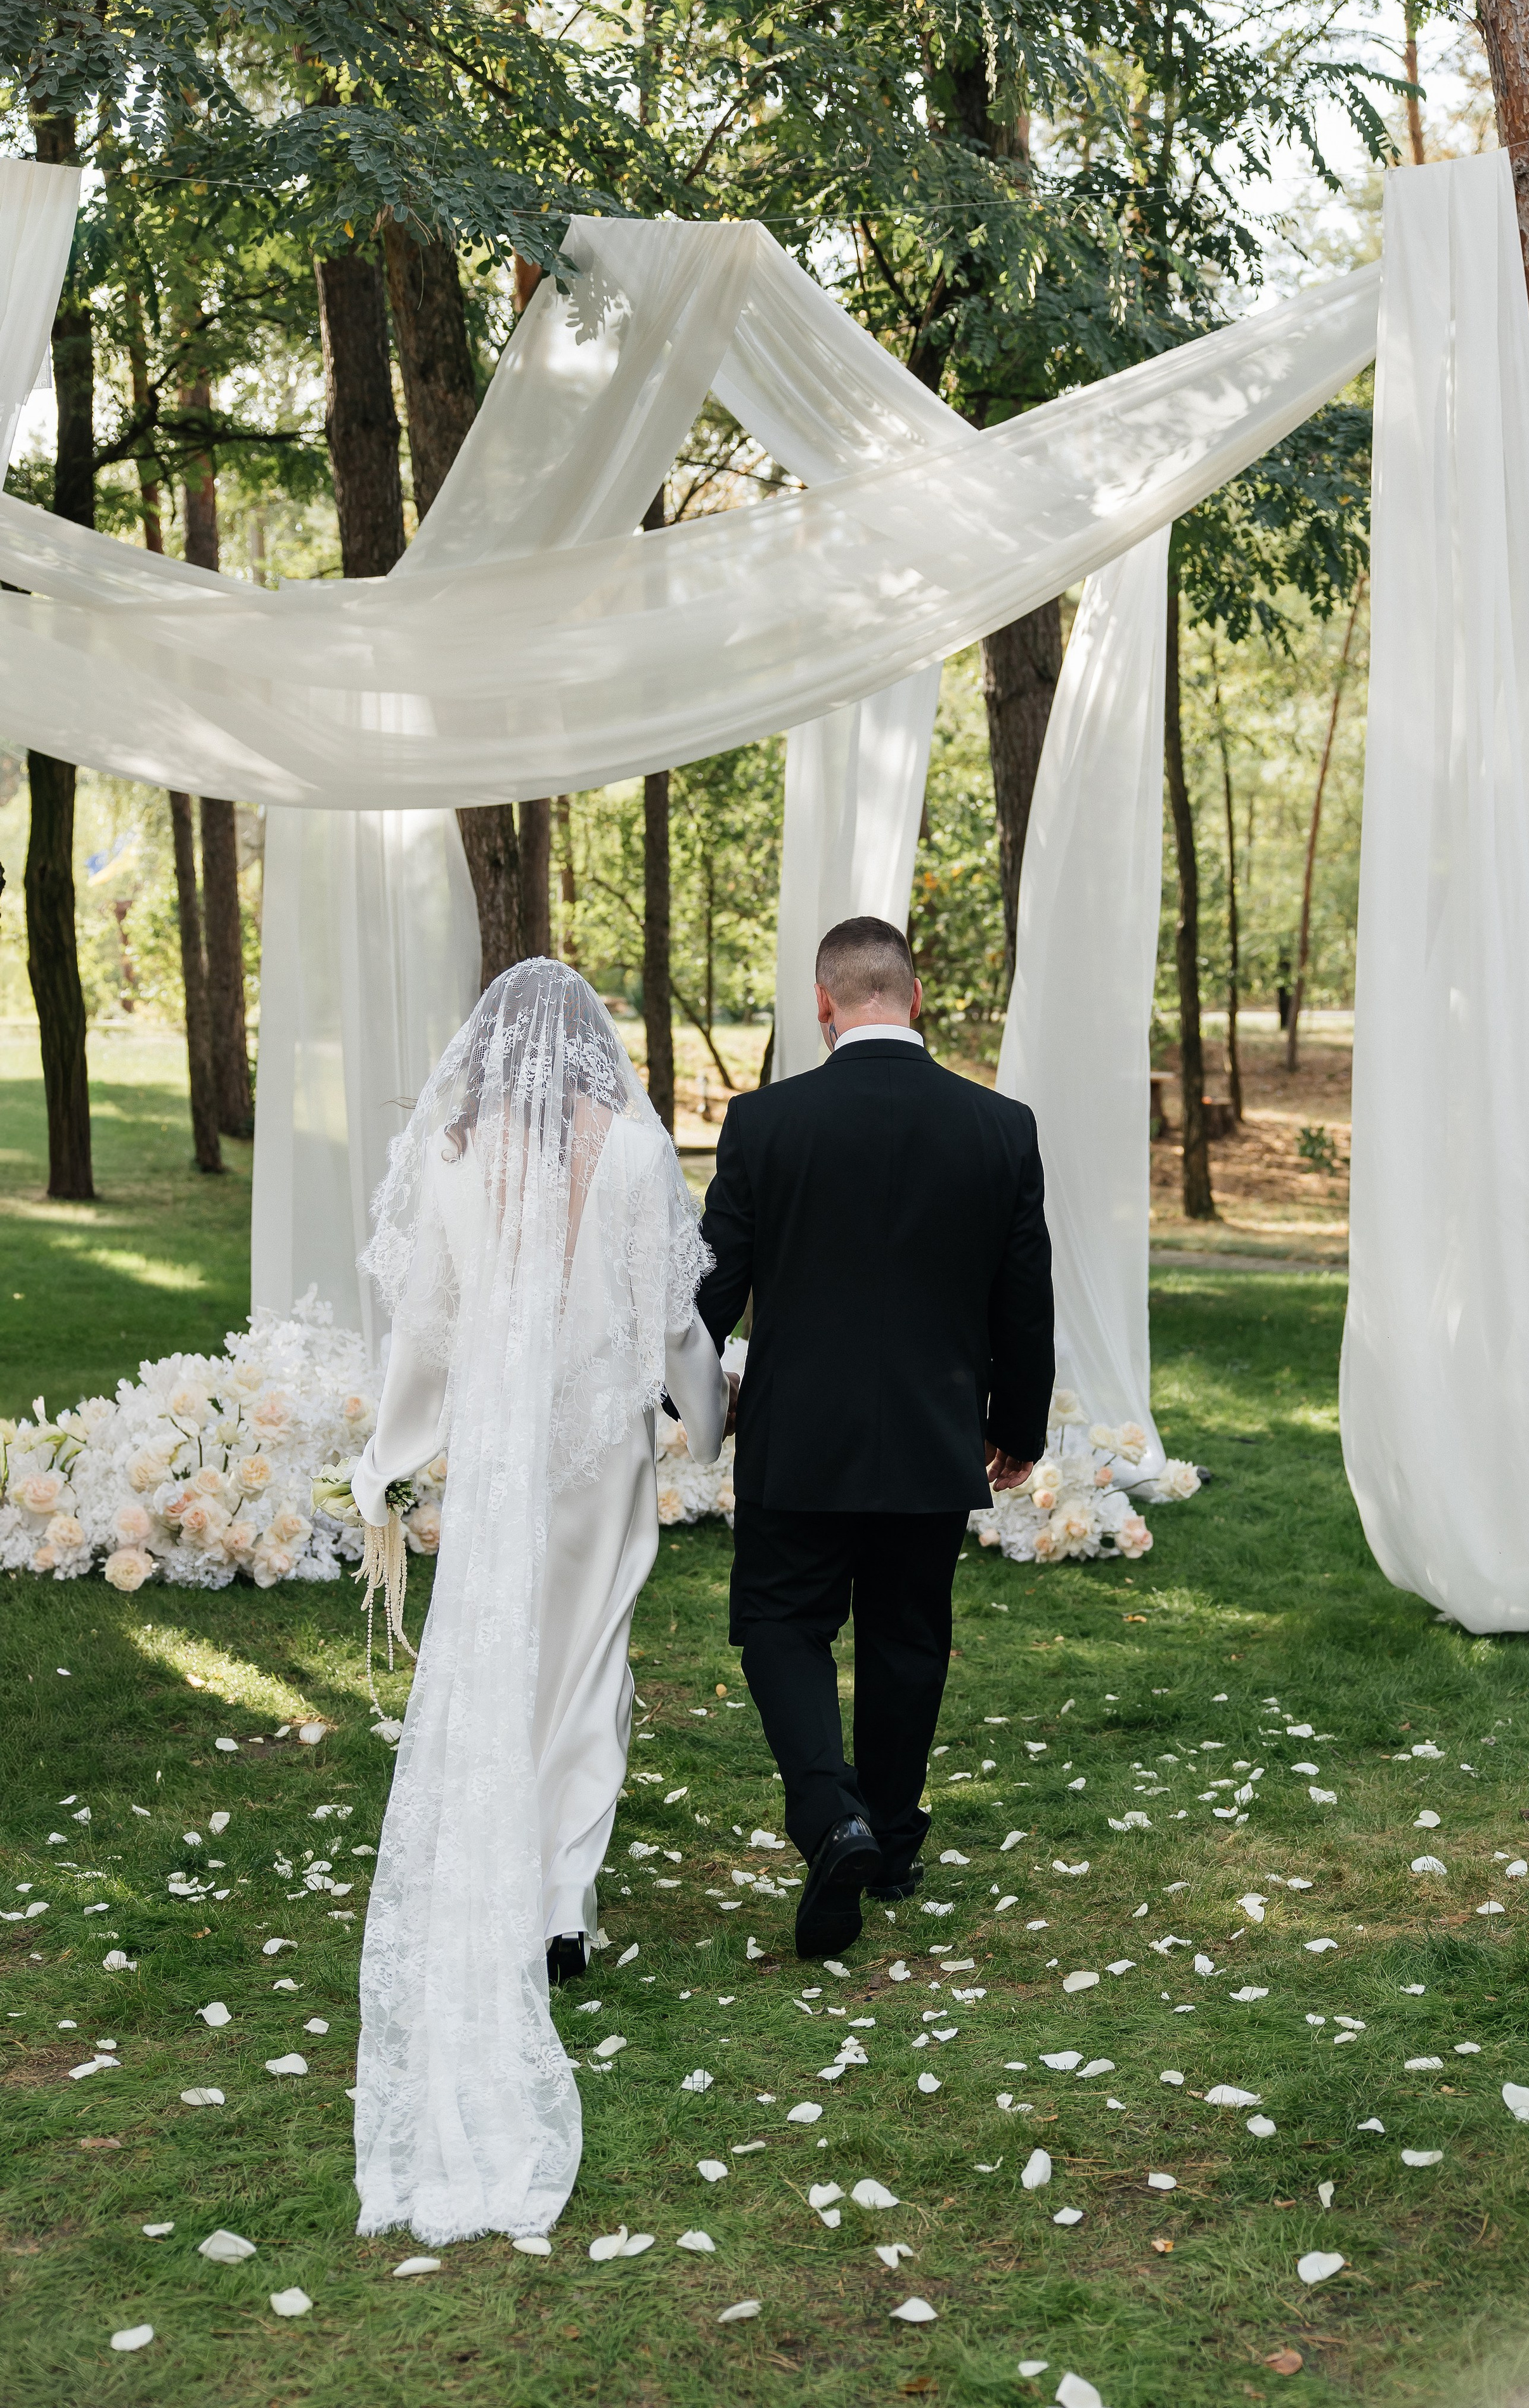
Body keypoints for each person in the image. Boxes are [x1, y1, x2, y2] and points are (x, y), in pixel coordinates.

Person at [347, 959, 726, 2245]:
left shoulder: (452, 1157)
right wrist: (711, 1419)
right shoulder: (627, 1151)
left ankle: (530, 1892)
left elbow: (428, 1331)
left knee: (501, 1665)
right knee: (582, 1667)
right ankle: (560, 1906)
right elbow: (672, 1319)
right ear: (586, 1045)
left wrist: (390, 1452)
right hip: (595, 1451)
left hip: (499, 1453)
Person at [697, 915, 1054, 1959]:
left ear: (823, 1006)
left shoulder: (764, 1123)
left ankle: (832, 1820)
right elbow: (1023, 1300)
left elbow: (711, 1284)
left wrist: (678, 1396)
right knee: (907, 1636)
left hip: (797, 1441)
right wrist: (1017, 1429)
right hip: (935, 1438)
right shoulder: (1000, 1127)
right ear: (915, 997)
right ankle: (890, 1841)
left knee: (779, 1622)